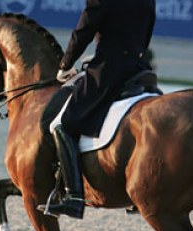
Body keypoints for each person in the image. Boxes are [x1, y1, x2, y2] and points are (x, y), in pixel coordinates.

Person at [38, 0, 156, 219]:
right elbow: (145, 35)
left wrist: (65, 65)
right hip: (139, 69)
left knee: (61, 125)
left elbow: (83, 32)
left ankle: (73, 197)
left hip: (109, 70)